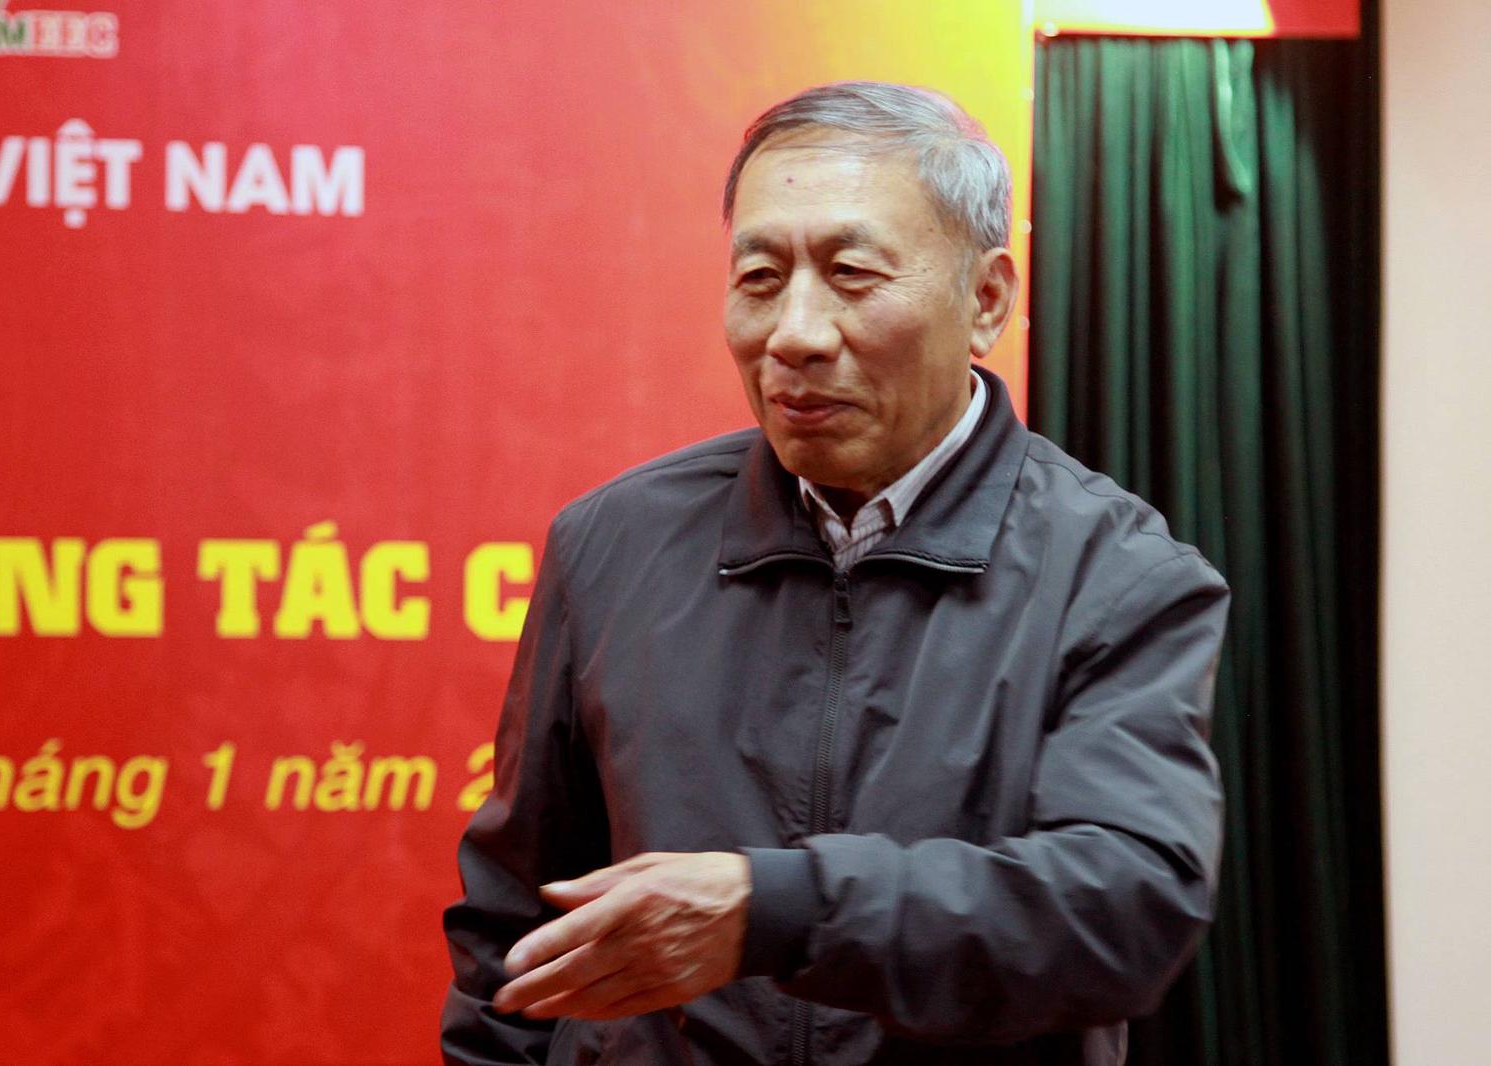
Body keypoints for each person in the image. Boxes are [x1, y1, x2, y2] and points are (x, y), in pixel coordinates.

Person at [442, 81, 1230, 1066]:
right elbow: (512, 926)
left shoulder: (1115, 575)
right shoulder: (612, 543)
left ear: (986, 299)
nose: (795, 334)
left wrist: (779, 910)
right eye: (761, 277)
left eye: (851, 273)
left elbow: (1124, 907)